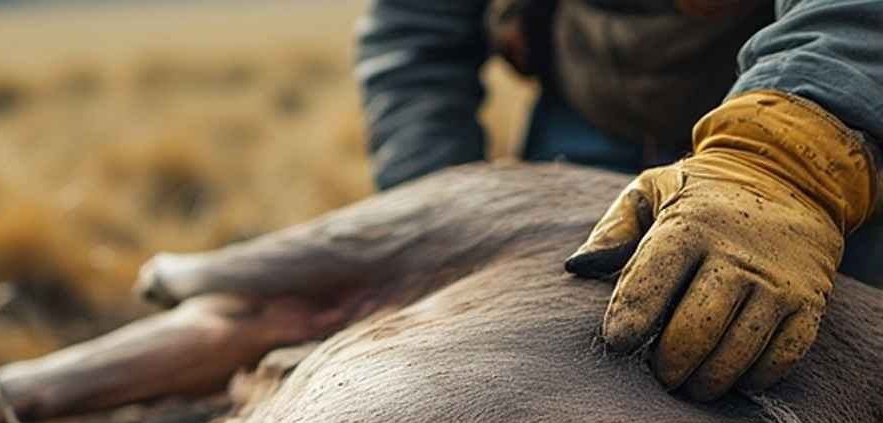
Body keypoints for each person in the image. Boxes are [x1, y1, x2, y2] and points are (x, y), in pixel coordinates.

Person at [355, 0, 882, 401]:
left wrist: (786, 160)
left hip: (819, 111)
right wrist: (440, 196)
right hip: (583, 122)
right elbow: (415, 29)